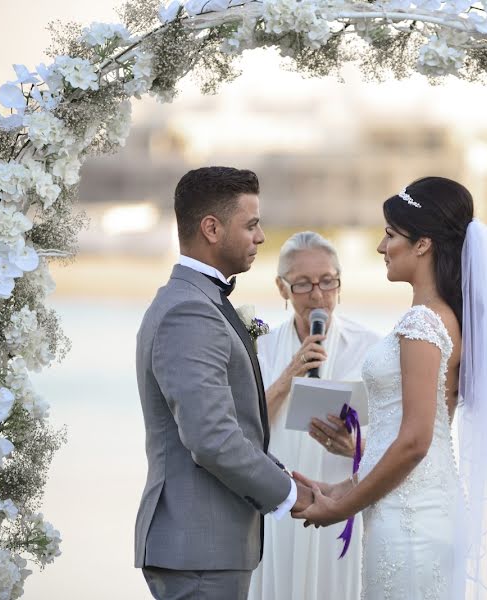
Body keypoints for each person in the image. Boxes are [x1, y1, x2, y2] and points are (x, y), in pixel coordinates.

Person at [294, 177, 487, 600]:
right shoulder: (443, 319)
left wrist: (342, 509)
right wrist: (335, 489)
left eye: (389, 235)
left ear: (422, 244)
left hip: (411, 524)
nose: (381, 247)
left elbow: (416, 440)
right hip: (421, 511)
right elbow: (421, 436)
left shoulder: (423, 324)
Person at [134, 167, 313, 600]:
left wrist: (285, 475)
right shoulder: (189, 313)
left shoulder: (202, 300)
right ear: (211, 228)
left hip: (207, 549)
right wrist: (290, 495)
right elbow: (212, 437)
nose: (261, 237)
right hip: (198, 553)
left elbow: (233, 426)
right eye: (250, 224)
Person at [248, 231, 380, 600]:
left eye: (327, 282)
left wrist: (354, 445)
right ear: (282, 288)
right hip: (280, 502)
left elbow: (397, 442)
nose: (318, 296)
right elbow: (245, 428)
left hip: (341, 501)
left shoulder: (371, 348)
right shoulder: (261, 347)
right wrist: (289, 374)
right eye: (303, 284)